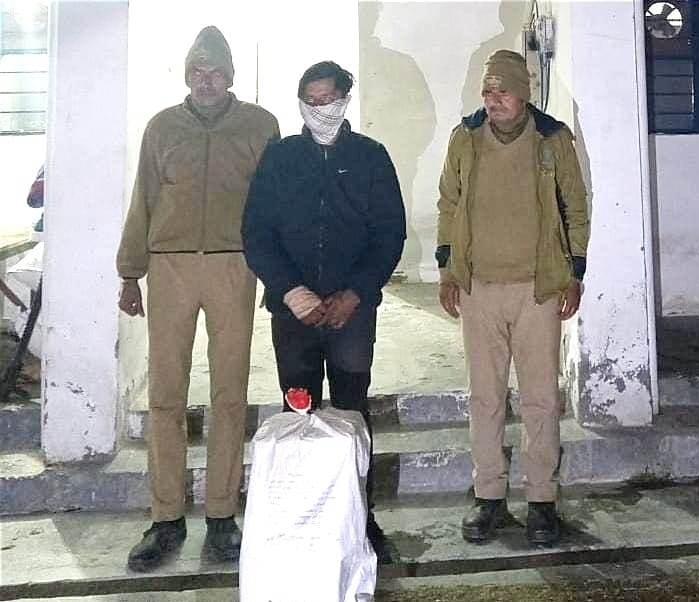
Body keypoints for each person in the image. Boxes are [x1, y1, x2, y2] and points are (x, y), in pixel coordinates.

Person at [116, 26, 279, 572]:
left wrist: (277, 272)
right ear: (186, 75)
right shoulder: (162, 127)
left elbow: (273, 203)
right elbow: (143, 197)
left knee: (229, 393)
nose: (205, 81)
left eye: (215, 73)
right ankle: (166, 518)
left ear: (230, 77)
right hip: (170, 267)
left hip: (235, 265)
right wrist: (130, 273)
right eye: (197, 72)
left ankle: (221, 516)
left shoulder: (260, 126)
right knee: (166, 394)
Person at [242, 61, 406, 563]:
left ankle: (360, 516)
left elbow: (389, 235)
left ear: (345, 100)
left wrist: (354, 293)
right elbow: (256, 232)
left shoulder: (371, 157)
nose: (319, 110)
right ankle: (304, 515)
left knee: (352, 410)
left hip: (351, 313)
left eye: (328, 100)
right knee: (299, 409)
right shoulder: (280, 158)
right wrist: (291, 291)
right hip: (294, 313)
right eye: (310, 102)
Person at [436, 50, 590, 547]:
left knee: (540, 396)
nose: (493, 99)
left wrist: (574, 273)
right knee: (485, 396)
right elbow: (448, 203)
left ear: (523, 92)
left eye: (502, 90)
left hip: (537, 290)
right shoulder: (465, 138)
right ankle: (488, 497)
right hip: (478, 288)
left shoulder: (552, 139)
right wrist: (448, 271)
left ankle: (541, 500)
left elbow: (575, 206)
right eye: (488, 90)